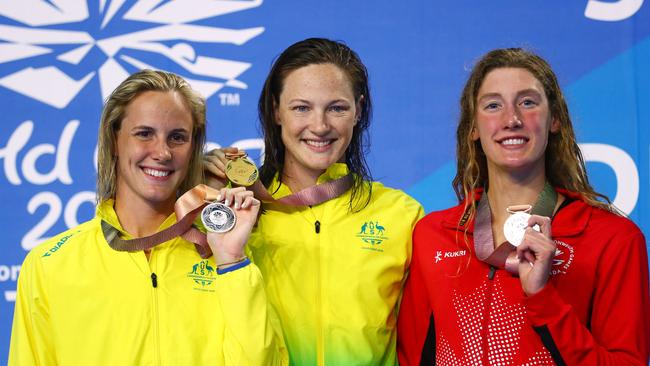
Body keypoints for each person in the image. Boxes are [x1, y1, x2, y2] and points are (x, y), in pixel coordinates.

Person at [8, 70, 288, 365]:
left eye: (177, 137)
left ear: (193, 148)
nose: (163, 152)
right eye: (144, 133)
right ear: (114, 140)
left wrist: (232, 262)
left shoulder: (231, 255)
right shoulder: (50, 265)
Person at [397, 48, 650, 365]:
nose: (512, 119)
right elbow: (411, 358)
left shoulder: (613, 240)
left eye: (528, 102)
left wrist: (543, 298)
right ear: (473, 127)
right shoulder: (433, 235)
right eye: (493, 105)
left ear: (555, 119)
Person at [204, 38, 424, 365]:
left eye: (336, 108)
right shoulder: (235, 212)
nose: (320, 126)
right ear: (276, 110)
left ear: (358, 110)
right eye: (301, 108)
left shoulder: (402, 216)